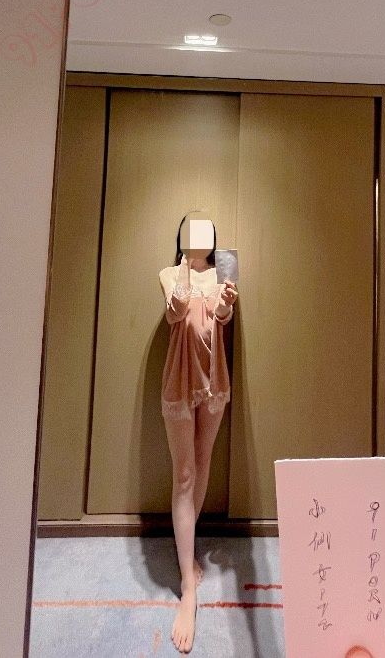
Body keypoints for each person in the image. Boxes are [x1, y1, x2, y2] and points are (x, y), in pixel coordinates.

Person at [158, 212, 238, 654]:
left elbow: (223, 317)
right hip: (179, 378)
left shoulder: (223, 274)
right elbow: (174, 314)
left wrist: (226, 300)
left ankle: (188, 557)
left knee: (203, 463)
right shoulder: (169, 273)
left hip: (215, 378)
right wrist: (186, 278)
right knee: (184, 474)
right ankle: (188, 590)